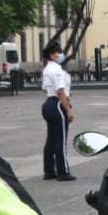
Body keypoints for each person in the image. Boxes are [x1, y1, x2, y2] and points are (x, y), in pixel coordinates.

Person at [40, 42, 75, 180]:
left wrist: (65, 92)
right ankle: (63, 172)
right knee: (61, 139)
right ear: (52, 55)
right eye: (57, 52)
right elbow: (60, 91)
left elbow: (45, 88)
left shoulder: (47, 69)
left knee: (51, 139)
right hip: (57, 104)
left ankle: (49, 171)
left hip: (48, 104)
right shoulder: (57, 70)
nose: (60, 55)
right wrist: (69, 110)